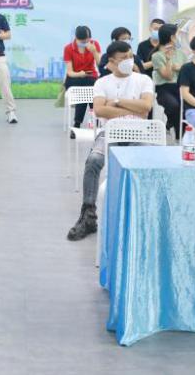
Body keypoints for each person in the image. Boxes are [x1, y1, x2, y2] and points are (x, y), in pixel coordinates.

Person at [66, 40, 155, 242]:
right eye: (123, 58)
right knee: (93, 161)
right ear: (111, 62)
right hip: (110, 132)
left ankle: (144, 216)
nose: (129, 61)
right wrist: (132, 108)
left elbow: (146, 108)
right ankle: (88, 216)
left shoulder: (143, 80)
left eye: (130, 56)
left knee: (147, 164)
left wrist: (115, 101)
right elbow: (99, 110)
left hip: (140, 133)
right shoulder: (102, 82)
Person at [63, 25, 101, 129]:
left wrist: (94, 52)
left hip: (90, 76)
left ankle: (81, 123)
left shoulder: (94, 45)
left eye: (87, 40)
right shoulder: (68, 48)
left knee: (92, 88)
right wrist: (80, 74)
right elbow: (70, 72)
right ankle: (82, 123)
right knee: (84, 90)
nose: (85, 42)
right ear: (76, 38)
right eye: (82, 40)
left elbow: (100, 65)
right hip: (74, 78)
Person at [151, 23, 186, 134]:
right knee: (174, 106)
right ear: (172, 37)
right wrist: (169, 60)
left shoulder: (181, 54)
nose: (179, 37)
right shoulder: (157, 56)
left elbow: (187, 72)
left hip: (181, 87)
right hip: (164, 89)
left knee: (187, 107)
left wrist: (180, 68)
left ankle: (178, 132)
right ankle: (178, 135)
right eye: (177, 35)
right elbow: (168, 76)